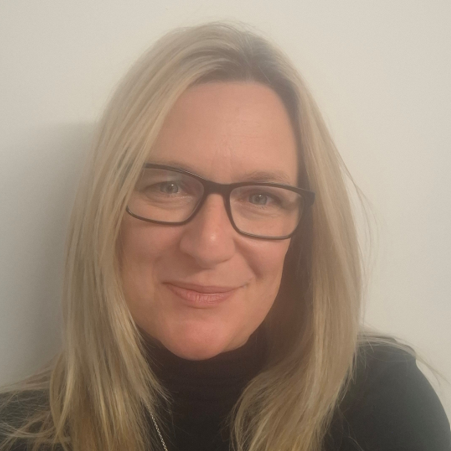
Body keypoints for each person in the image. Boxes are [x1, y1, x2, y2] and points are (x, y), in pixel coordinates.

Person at [0, 20, 449, 451]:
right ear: (107, 210)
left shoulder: (382, 405)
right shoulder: (14, 434)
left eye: (261, 197)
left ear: (304, 236)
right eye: (169, 187)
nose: (209, 245)